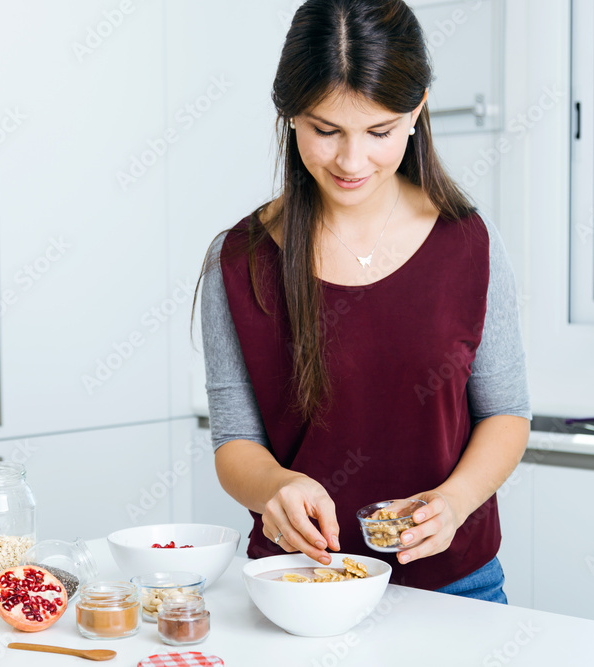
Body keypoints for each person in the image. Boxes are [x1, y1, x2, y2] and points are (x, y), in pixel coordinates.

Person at [197, 0, 530, 603]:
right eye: (326, 130)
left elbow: (506, 414)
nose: (352, 162)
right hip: (297, 585)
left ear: (416, 111)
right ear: (289, 115)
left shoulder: (469, 243)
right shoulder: (240, 259)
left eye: (379, 132)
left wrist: (452, 504)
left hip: (457, 588)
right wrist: (274, 485)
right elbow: (234, 442)